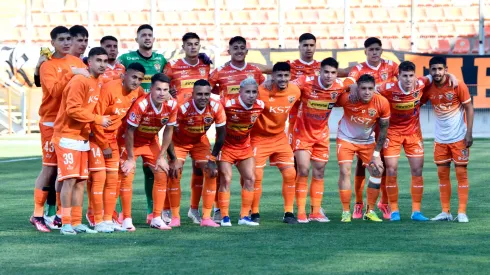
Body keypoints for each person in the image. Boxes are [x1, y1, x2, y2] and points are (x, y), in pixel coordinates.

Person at [30, 26, 88, 232]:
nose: (66, 43)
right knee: (49, 168)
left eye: (68, 39)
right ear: (52, 42)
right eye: (61, 39)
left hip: (69, 125)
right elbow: (54, 92)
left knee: (65, 172)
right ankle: (37, 214)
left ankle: (59, 216)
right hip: (50, 122)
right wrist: (72, 74)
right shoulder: (48, 65)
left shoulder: (77, 62)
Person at [51, 47, 111, 235]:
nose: (103, 64)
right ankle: (65, 223)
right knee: (69, 180)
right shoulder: (79, 80)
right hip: (66, 136)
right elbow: (72, 110)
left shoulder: (97, 81)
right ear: (89, 62)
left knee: (79, 182)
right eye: (98, 60)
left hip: (81, 138)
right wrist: (98, 119)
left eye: (105, 61)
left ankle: (76, 222)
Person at [117, 24, 168, 223]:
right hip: (130, 118)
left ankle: (151, 211)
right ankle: (122, 213)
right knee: (124, 171)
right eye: (143, 35)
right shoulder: (126, 59)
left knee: (152, 170)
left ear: (153, 39)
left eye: (150, 35)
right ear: (136, 39)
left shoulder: (160, 59)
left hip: (151, 123)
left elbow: (168, 78)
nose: (147, 38)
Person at [344, 37, 399, 219]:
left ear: (381, 50)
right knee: (361, 164)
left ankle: (382, 203)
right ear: (365, 51)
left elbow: (408, 77)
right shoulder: (359, 69)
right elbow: (349, 81)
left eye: (377, 49)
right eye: (371, 50)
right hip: (364, 121)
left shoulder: (391, 65)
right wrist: (352, 86)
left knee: (382, 163)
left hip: (384, 118)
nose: (374, 52)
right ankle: (359, 204)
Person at [88, 63, 146, 233]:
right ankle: (96, 219)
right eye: (133, 77)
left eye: (140, 79)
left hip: (112, 138)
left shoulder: (138, 92)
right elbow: (94, 118)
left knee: (112, 180)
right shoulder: (109, 89)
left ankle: (108, 219)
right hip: (95, 137)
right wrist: (103, 144)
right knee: (99, 178)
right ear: (124, 75)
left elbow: (147, 101)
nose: (136, 81)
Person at [163, 32, 212, 224]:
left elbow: (211, 89)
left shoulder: (205, 65)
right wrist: (170, 94)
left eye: (196, 44)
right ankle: (167, 210)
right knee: (175, 170)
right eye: (189, 44)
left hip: (199, 126)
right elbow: (161, 87)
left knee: (201, 170)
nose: (193, 47)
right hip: (178, 124)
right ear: (183, 46)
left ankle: (194, 210)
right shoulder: (173, 67)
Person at [118, 74, 177, 231]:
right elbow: (129, 131)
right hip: (130, 142)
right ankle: (126, 219)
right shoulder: (141, 104)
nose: (161, 93)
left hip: (150, 141)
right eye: (158, 89)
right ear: (151, 89)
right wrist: (130, 158)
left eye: (165, 90)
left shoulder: (171, 104)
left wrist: (163, 156)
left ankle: (156, 218)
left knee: (162, 173)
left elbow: (169, 130)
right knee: (126, 174)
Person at [292, 57, 348, 223]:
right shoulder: (305, 81)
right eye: (326, 72)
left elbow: (353, 82)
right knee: (303, 170)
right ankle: (301, 212)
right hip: (302, 133)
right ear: (319, 71)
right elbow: (288, 87)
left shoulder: (339, 86)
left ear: (336, 74)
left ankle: (316, 211)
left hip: (322, 135)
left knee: (319, 172)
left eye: (332, 73)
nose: (329, 75)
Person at [167, 79, 226, 228]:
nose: (203, 97)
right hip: (178, 142)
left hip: (200, 141)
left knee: (212, 172)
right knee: (175, 172)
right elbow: (168, 133)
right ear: (192, 94)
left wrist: (212, 158)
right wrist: (173, 159)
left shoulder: (216, 106)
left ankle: (206, 217)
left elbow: (221, 136)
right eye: (199, 94)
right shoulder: (181, 106)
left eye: (206, 94)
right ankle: (174, 216)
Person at [377, 61, 431, 222]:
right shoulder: (387, 88)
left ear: (415, 76)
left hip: (413, 134)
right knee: (391, 170)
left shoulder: (421, 83)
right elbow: (369, 88)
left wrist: (449, 76)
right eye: (404, 76)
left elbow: (433, 76)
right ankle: (394, 210)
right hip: (392, 134)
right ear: (398, 76)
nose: (408, 79)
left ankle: (416, 211)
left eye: (411, 76)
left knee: (417, 171)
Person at [422, 56, 473, 223]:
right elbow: (416, 98)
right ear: (430, 71)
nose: (437, 72)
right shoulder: (428, 88)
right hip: (440, 139)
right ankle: (446, 212)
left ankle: (462, 212)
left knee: (461, 173)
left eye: (440, 69)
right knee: (442, 175)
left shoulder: (457, 85)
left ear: (446, 69)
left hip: (459, 137)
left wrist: (469, 133)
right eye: (433, 69)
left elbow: (469, 108)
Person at [249, 62, 301, 224]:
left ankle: (289, 213)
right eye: (279, 75)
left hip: (280, 138)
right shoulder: (260, 92)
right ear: (273, 76)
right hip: (259, 138)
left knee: (290, 174)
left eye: (286, 75)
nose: (283, 79)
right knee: (256, 176)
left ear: (290, 76)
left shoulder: (295, 91)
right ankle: (254, 212)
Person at [335, 74, 391, 222]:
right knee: (345, 171)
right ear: (357, 89)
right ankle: (346, 211)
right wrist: (349, 85)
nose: (367, 92)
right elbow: (332, 90)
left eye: (370, 89)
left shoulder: (382, 102)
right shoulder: (348, 98)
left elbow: (384, 129)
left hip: (367, 141)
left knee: (377, 170)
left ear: (374, 89)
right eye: (363, 88)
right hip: (346, 139)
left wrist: (377, 153)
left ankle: (370, 210)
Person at [217, 78, 264, 226]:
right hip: (226, 147)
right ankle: (224, 217)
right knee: (226, 179)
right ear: (240, 92)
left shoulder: (260, 106)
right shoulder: (227, 104)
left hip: (244, 147)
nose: (251, 95)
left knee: (250, 178)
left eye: (254, 92)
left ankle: (244, 217)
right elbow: (211, 107)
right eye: (248, 92)